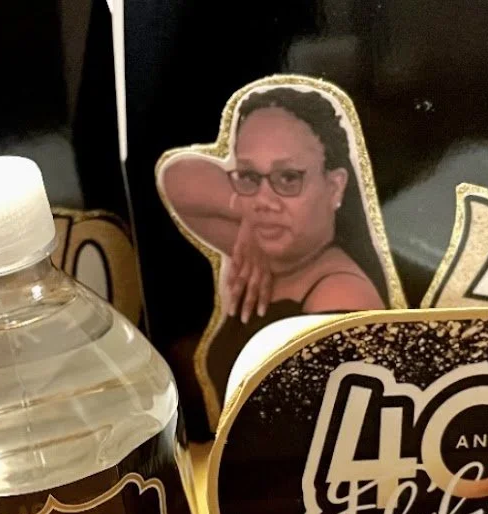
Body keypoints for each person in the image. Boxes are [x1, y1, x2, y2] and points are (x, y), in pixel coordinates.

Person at [159, 86, 388, 405]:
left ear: (334, 186)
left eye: (289, 178)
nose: (265, 199)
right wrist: (250, 216)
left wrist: (253, 211)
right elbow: (177, 178)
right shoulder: (262, 254)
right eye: (249, 175)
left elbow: (327, 436)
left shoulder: (340, 295)